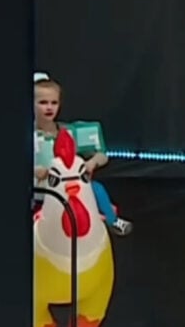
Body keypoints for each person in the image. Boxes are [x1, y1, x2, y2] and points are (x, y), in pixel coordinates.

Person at [33, 72, 133, 236]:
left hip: (70, 187)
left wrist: (92, 162)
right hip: (41, 192)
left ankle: (112, 221)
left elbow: (102, 155)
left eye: (54, 102)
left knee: (96, 188)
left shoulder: (69, 132)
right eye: (43, 102)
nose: (49, 107)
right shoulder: (28, 136)